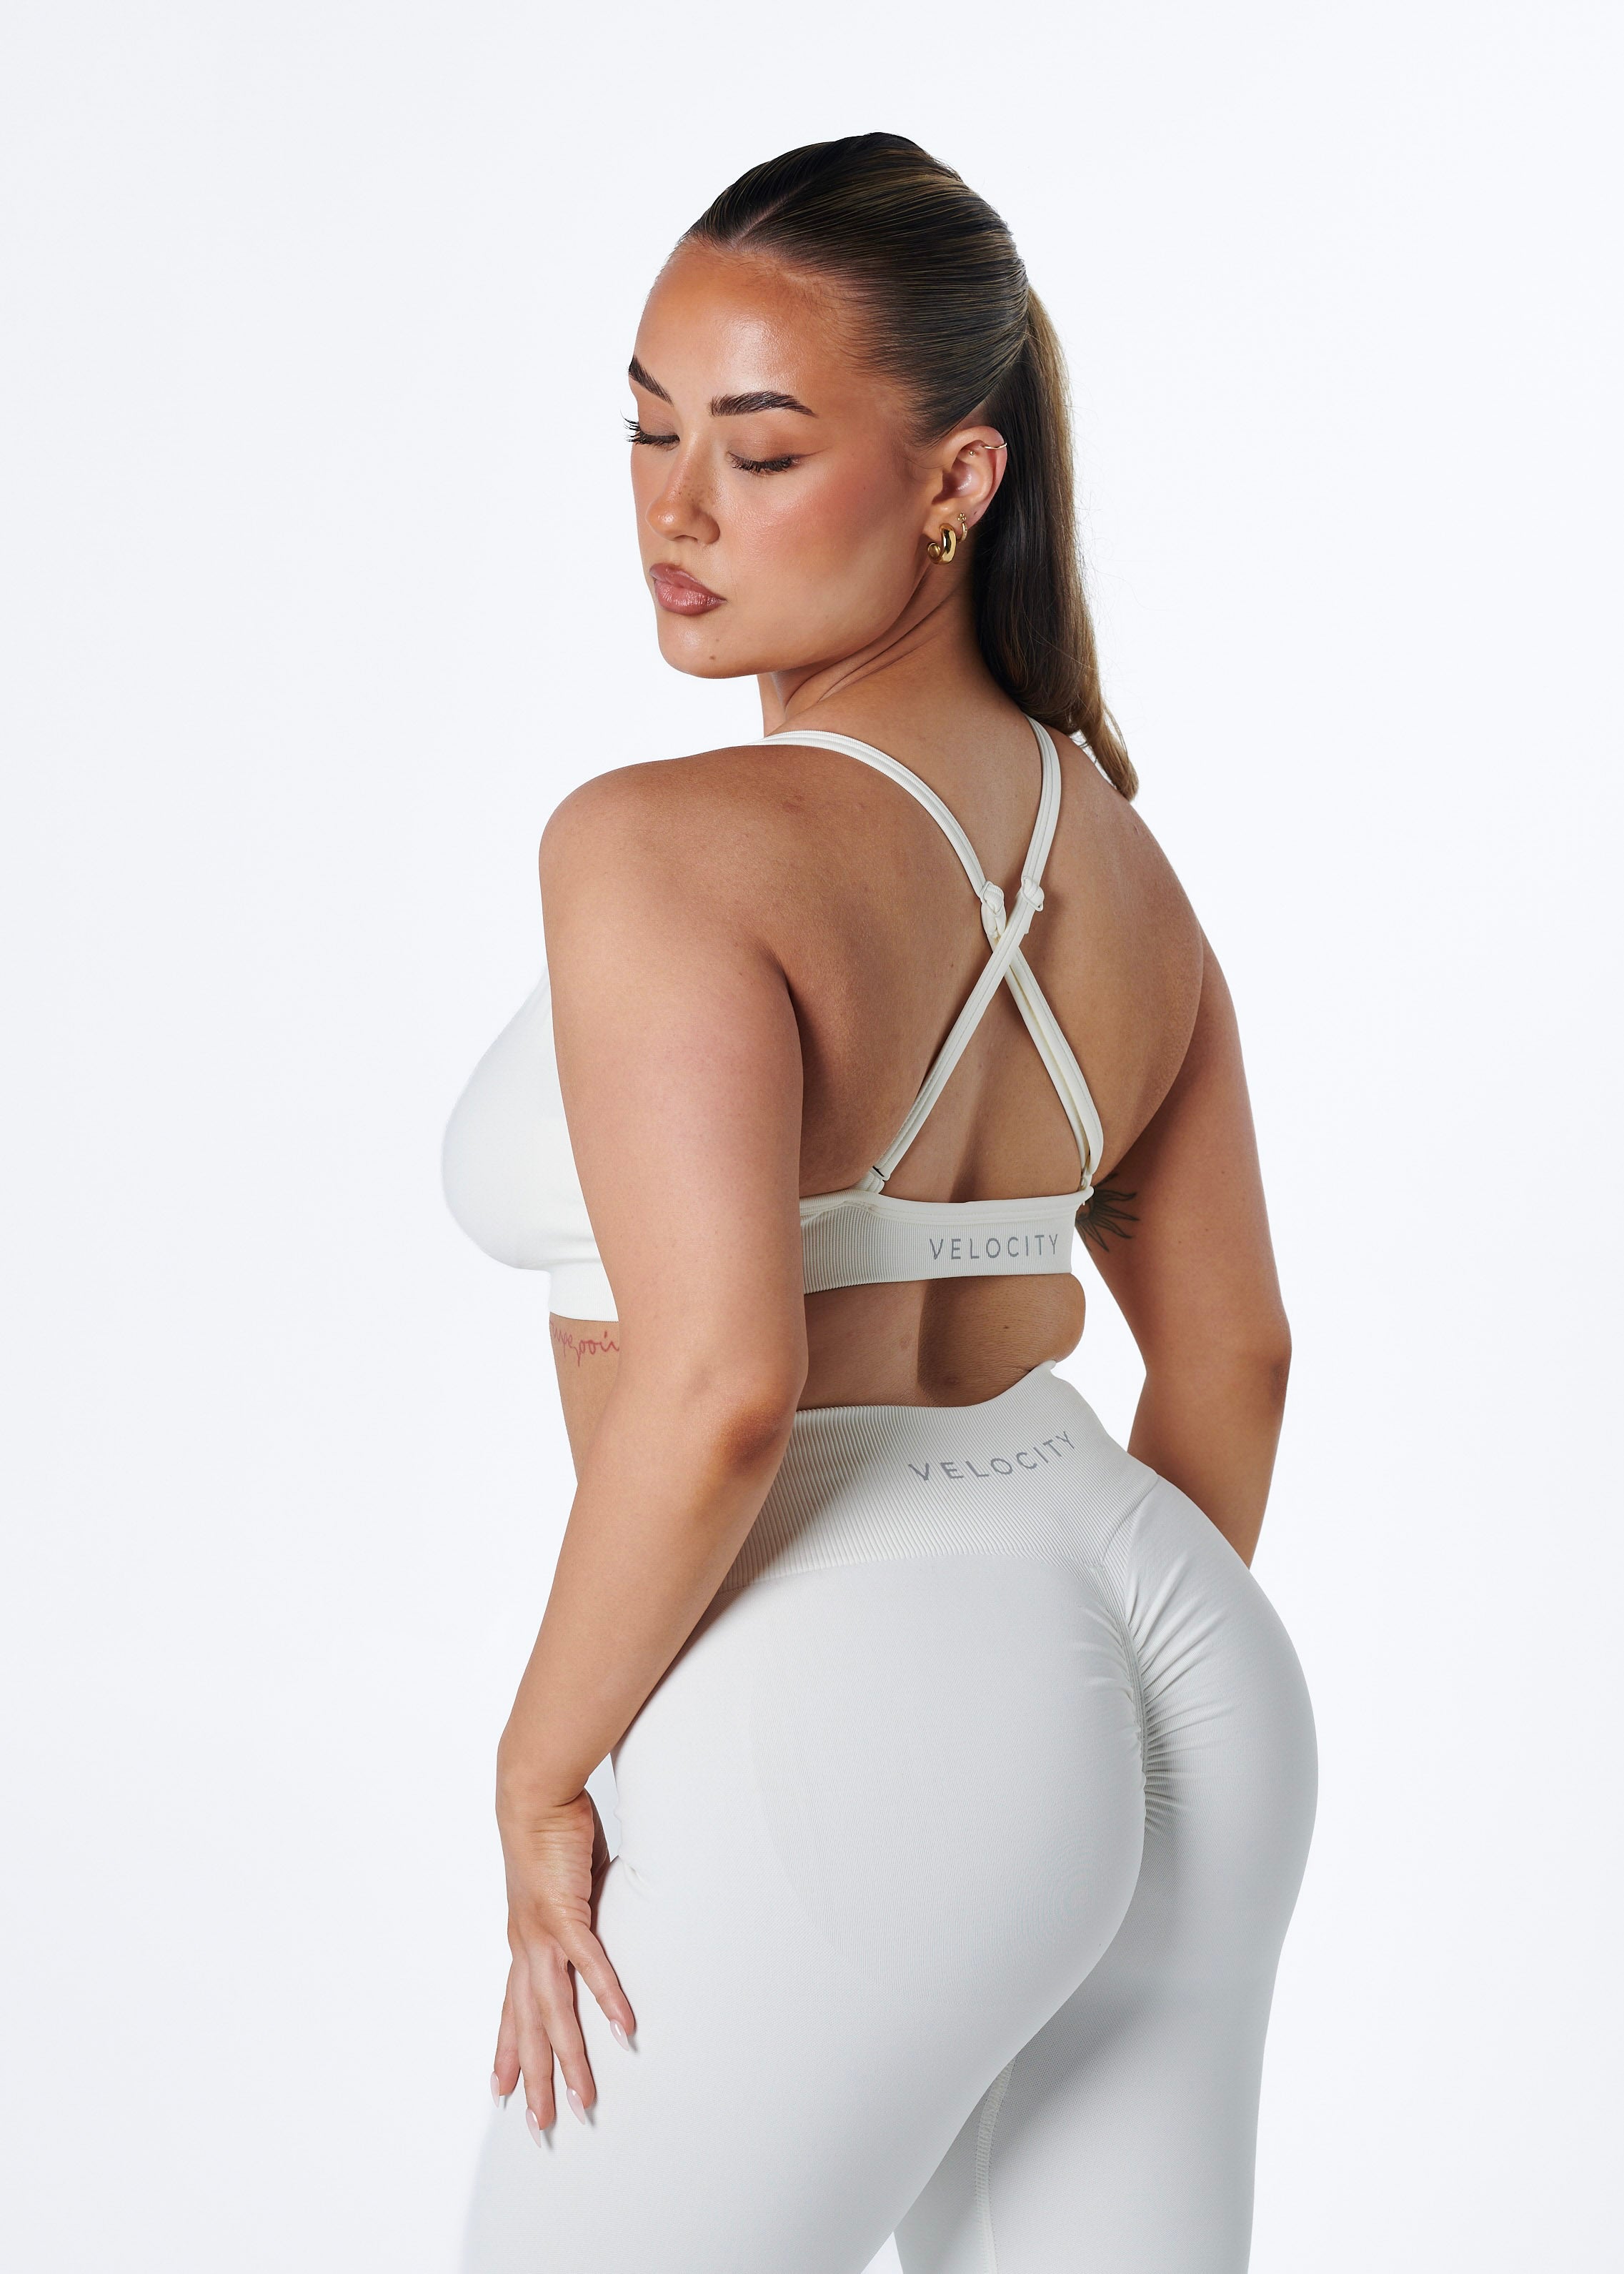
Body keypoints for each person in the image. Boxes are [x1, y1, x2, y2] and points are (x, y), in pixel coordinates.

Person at [441, 131, 1316, 2274]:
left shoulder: (659, 843)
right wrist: (1075, 1727)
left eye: (758, 452)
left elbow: (724, 1384)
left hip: (856, 1678)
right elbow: (1232, 1356)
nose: (673, 511)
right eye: (646, 430)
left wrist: (541, 1768)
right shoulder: (1122, 862)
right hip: (1177, 1648)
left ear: (957, 480)